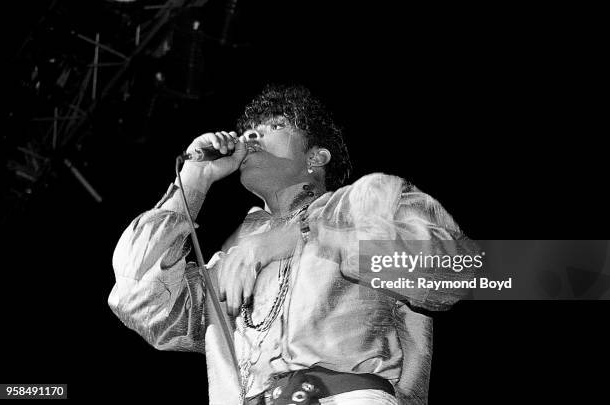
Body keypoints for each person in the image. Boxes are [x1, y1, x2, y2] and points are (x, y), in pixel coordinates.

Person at [108, 84, 471, 404]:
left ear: (316, 156)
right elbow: (142, 300)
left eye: (276, 126)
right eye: (250, 130)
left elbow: (456, 273)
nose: (251, 137)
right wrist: (193, 181)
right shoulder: (232, 258)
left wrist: (307, 235)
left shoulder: (369, 200)